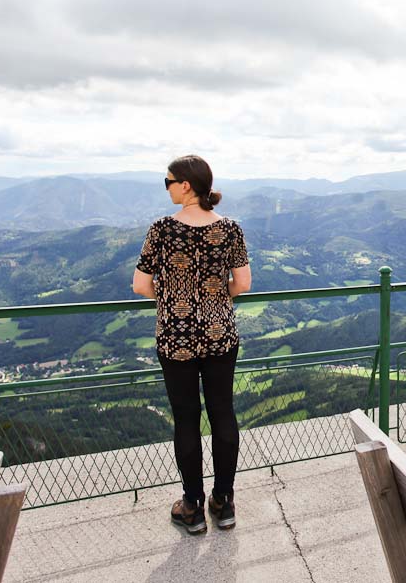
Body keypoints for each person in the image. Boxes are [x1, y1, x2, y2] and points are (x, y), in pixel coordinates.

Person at [133, 155, 252, 534]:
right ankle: (224, 501)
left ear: (185, 185)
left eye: (167, 181)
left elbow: (140, 286)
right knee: (223, 414)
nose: (165, 186)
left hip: (176, 337)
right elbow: (243, 284)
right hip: (220, 334)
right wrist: (214, 302)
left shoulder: (162, 230)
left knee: (186, 419)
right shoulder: (230, 229)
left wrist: (172, 301)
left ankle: (192, 507)